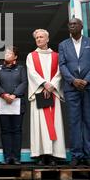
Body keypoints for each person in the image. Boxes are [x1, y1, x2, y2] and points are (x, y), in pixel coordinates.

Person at [58, 18, 90, 167]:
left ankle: (88, 155)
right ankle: (76, 155)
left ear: (81, 26)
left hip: (89, 87)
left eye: (74, 24)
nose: (71, 26)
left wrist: (87, 80)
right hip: (72, 88)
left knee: (89, 121)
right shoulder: (63, 45)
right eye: (69, 24)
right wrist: (73, 80)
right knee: (74, 122)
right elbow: (62, 65)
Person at [26, 29, 66, 166]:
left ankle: (55, 154)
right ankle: (42, 154)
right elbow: (31, 73)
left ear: (47, 39)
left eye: (41, 37)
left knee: (54, 124)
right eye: (37, 37)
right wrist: (44, 84)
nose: (39, 39)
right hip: (39, 93)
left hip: (53, 93)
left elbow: (61, 72)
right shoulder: (31, 56)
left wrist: (52, 85)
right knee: (40, 125)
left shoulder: (57, 56)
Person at [0, 46, 27, 165]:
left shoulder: (21, 68)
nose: (6, 54)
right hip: (2, 102)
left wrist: (14, 95)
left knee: (17, 130)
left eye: (9, 53)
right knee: (5, 130)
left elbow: (24, 82)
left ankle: (16, 158)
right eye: (5, 53)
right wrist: (3, 94)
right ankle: (7, 157)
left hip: (17, 103)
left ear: (15, 56)